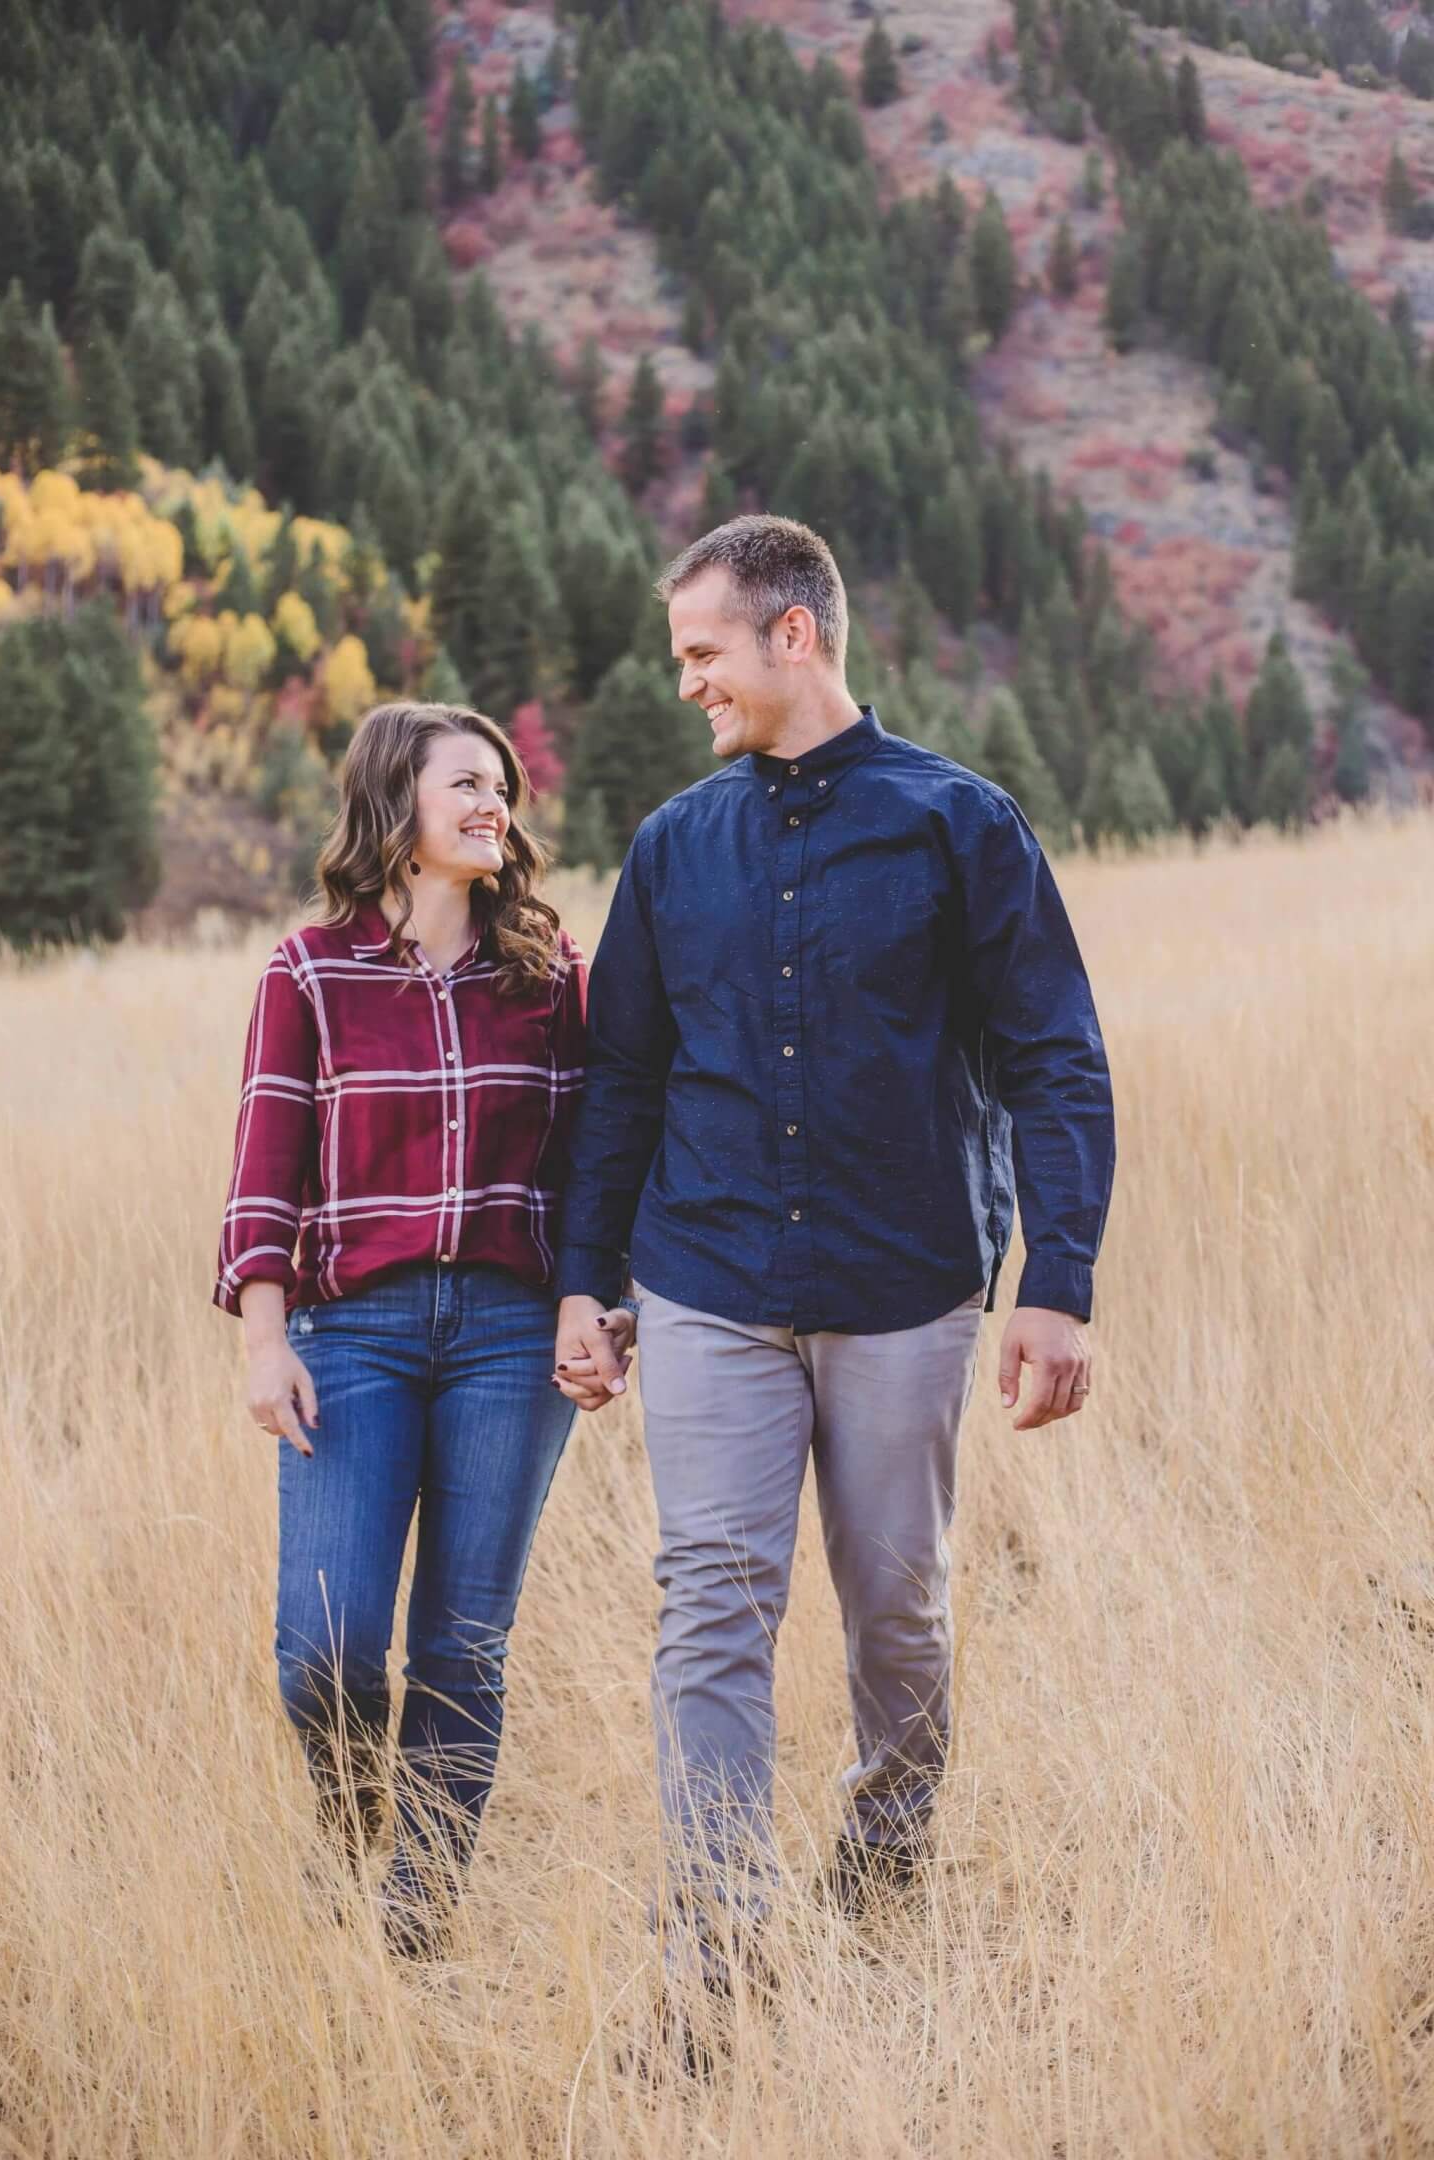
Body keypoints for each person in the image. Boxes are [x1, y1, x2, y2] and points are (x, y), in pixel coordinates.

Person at [552, 515, 1115, 1979]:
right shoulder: (674, 849)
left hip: (901, 1291)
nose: (689, 684)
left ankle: (884, 1859)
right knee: (712, 1603)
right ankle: (719, 1945)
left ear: (792, 634)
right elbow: (622, 1079)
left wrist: (1058, 1284)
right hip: (708, 1288)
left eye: (704, 652)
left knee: (899, 1612)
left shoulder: (959, 824)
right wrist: (586, 1277)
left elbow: (1055, 1057)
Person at [213, 701, 631, 1957]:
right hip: (355, 1336)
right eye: (465, 784)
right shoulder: (310, 973)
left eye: (502, 787)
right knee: (325, 1651)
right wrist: (263, 1339)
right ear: (396, 802)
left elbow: (600, 1163)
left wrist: (598, 1305)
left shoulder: (554, 978)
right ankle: (352, 1837)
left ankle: (417, 1920)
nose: (494, 805)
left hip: (512, 1339)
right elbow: (265, 1168)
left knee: (463, 1642)